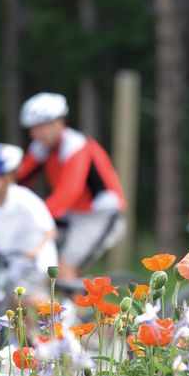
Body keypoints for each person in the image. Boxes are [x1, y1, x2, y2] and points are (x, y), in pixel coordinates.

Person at [15, 92, 126, 280]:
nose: (35, 134)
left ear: (58, 123)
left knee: (63, 269)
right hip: (72, 214)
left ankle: (84, 307)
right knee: (32, 250)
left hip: (99, 216)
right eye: (32, 129)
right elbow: (18, 178)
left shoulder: (76, 146)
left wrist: (37, 214)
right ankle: (73, 301)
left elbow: (69, 191)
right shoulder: (42, 147)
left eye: (40, 128)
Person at [0, 143, 58, 304]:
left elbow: (50, 230)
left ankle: (61, 322)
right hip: (10, 261)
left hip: (34, 261)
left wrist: (34, 250)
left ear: (8, 177)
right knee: (1, 298)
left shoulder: (24, 200)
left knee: (29, 297)